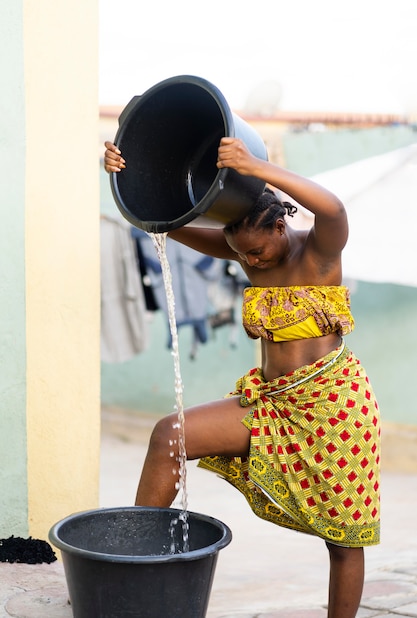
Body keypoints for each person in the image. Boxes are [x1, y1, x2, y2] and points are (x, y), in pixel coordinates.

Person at [104, 137, 380, 618]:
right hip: (273, 403)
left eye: (257, 252)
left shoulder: (320, 254)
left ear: (280, 224)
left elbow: (333, 208)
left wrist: (257, 167)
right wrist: (124, 175)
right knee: (170, 433)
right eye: (240, 254)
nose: (250, 262)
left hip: (334, 410)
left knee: (341, 540)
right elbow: (159, 223)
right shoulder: (248, 251)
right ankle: (135, 573)